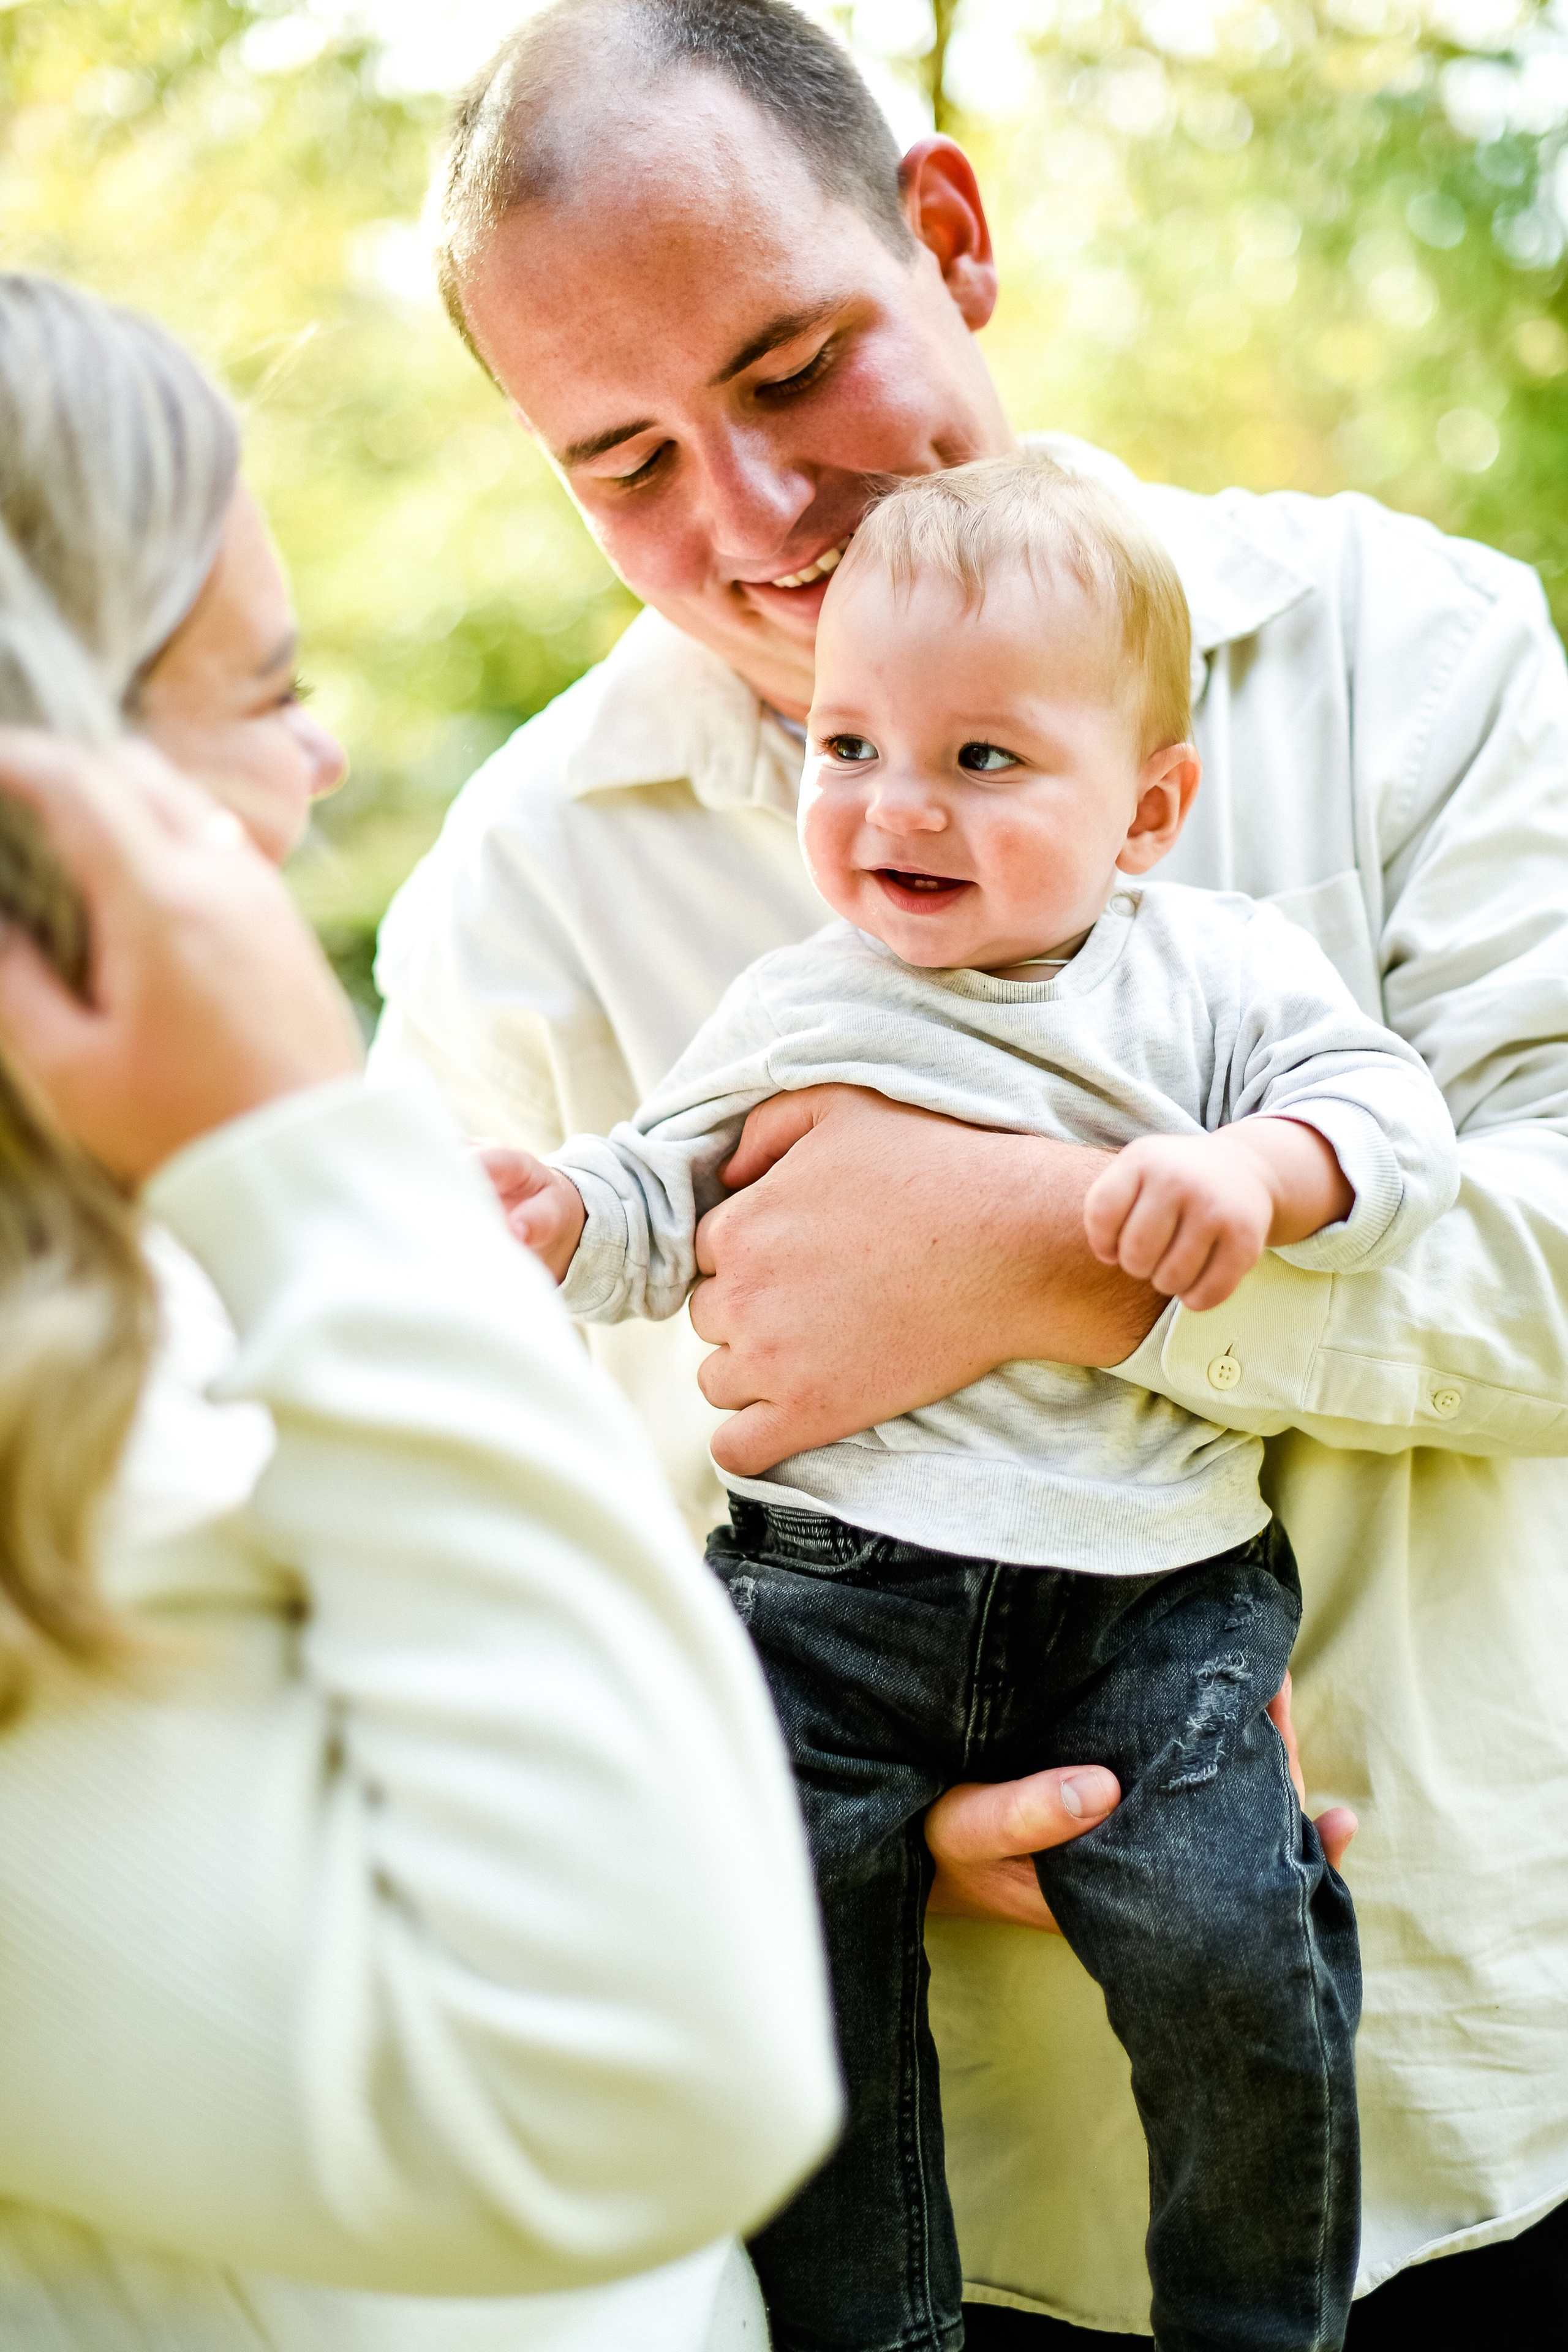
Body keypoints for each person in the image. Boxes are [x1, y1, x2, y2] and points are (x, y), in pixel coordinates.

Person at [370, 0, 1568, 2339]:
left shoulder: (1410, 655)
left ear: (950, 231)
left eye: (796, 363)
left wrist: (1044, 1260)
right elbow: (500, 1577)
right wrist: (869, 1809)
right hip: (958, 2204)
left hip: (1464, 2127)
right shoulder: (514, 901)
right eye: (622, 462)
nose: (750, 521)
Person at [492, 453, 1465, 2352]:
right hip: (831, 1596)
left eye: (983, 761)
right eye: (848, 747)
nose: (892, 809)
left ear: (1149, 811)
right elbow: (660, 1211)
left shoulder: (1217, 976)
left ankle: (1260, 2322)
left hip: (1153, 1593)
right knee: (783, 1949)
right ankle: (871, 2326)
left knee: (1222, 1943)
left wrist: (1266, 1172)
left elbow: (1398, 1124)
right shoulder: (797, 1002)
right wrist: (557, 1208)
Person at [0, 268, 854, 2350]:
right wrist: (313, 1149)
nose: (327, 750)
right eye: (265, 688)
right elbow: (672, 2081)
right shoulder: (216, 1303)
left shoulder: (158, 1304)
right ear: (64, 811)